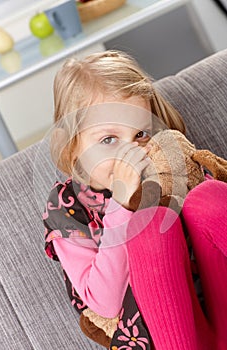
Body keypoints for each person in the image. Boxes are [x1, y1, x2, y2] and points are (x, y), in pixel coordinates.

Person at [43, 50, 227, 349]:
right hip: (164, 334)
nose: (133, 154)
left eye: (140, 133)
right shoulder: (68, 206)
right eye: (108, 140)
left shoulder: (168, 163)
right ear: (72, 148)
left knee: (209, 196)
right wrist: (121, 205)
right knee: (150, 225)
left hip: (219, 305)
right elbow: (105, 303)